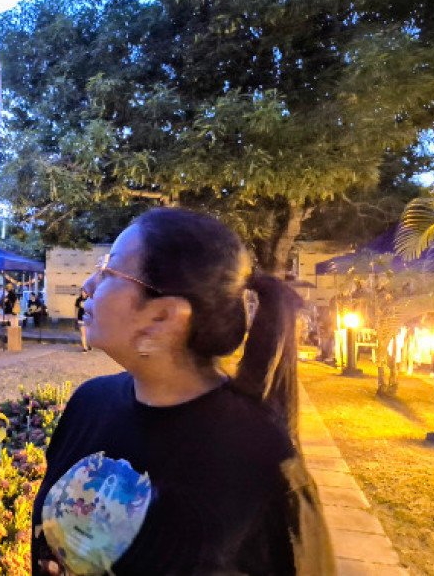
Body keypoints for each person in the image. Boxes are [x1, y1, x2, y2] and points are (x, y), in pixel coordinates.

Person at [32, 208, 334, 576]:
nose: (89, 285)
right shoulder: (89, 404)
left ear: (163, 317)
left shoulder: (263, 464)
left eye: (109, 270)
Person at [74, 287, 90, 351]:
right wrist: (75, 317)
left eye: (85, 292)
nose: (84, 293)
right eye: (83, 292)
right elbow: (76, 309)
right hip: (81, 318)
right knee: (83, 333)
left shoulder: (90, 299)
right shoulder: (78, 300)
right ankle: (84, 347)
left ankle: (88, 344)